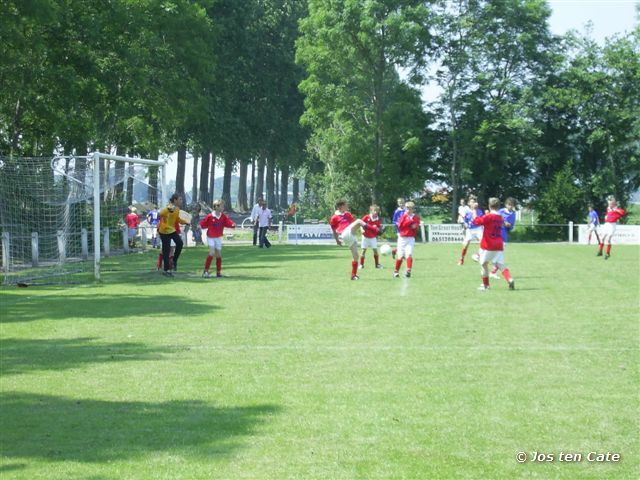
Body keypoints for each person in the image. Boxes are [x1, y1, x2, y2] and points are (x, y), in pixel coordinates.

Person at [472, 197, 515, 291]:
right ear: (499, 206)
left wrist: (474, 210)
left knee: (484, 264)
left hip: (488, 245)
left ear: (489, 206)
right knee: (500, 264)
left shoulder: (488, 216)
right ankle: (509, 279)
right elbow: (504, 224)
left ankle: (486, 286)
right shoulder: (500, 217)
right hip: (498, 244)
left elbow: (475, 221)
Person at [330, 200, 366, 280]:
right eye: (345, 205)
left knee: (356, 256)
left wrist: (359, 228)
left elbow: (353, 223)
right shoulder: (334, 217)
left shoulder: (348, 214)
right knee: (359, 221)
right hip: (344, 234)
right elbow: (333, 230)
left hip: (350, 234)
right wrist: (337, 240)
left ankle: (353, 275)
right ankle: (376, 231)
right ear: (340, 206)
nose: (347, 207)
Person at [200, 199, 236, 278]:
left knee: (219, 255)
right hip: (211, 237)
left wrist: (232, 224)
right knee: (212, 253)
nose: (223, 207)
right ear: (216, 207)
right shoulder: (210, 216)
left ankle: (218, 273)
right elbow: (203, 223)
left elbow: (228, 222)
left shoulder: (223, 216)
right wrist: (199, 226)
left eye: (223, 206)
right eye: (222, 206)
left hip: (218, 237)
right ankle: (205, 272)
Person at [158, 194, 185, 276]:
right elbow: (160, 214)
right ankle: (166, 270)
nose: (181, 201)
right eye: (180, 199)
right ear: (175, 200)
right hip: (164, 231)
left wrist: (186, 222)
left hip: (172, 230)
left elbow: (178, 219)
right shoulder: (169, 207)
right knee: (166, 250)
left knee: (179, 243)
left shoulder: (177, 209)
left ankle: (174, 261)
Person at [490, 197, 516, 279]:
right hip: (496, 234)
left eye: (512, 205)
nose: (510, 206)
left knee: (498, 255)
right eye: (509, 205)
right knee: (497, 254)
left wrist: (509, 225)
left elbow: (511, 227)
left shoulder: (513, 214)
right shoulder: (501, 211)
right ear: (506, 205)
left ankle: (492, 272)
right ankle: (492, 272)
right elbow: (494, 219)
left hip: (504, 236)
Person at [394, 201, 420, 278]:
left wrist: (415, 226)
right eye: (407, 208)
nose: (408, 210)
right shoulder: (403, 216)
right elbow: (400, 226)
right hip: (402, 238)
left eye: (410, 208)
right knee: (400, 256)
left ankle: (408, 270)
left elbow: (416, 225)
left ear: (413, 209)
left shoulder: (415, 217)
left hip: (410, 238)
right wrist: (409, 221)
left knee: (409, 254)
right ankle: (396, 271)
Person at [458, 196, 483, 265]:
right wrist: (465, 224)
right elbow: (465, 220)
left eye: (474, 202)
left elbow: (481, 220)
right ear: (469, 203)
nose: (473, 203)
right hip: (470, 230)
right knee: (465, 245)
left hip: (478, 228)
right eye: (472, 202)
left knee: (483, 243)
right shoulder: (466, 211)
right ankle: (461, 258)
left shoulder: (479, 211)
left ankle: (477, 255)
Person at [359, 204, 383, 269]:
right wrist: (361, 229)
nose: (376, 212)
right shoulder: (366, 217)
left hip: (373, 237)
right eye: (374, 210)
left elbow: (378, 228)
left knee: (375, 251)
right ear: (371, 211)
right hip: (365, 236)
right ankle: (361, 264)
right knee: (363, 250)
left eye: (377, 211)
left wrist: (380, 229)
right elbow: (360, 223)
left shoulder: (378, 219)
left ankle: (377, 264)